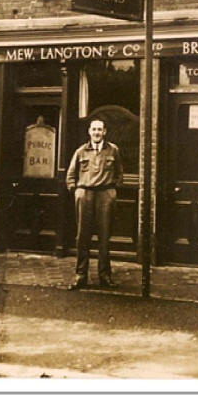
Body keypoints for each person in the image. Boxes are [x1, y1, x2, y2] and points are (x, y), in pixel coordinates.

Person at [66, 118, 124, 290]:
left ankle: (104, 276)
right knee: (82, 237)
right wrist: (77, 191)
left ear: (104, 132)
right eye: (94, 129)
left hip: (105, 195)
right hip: (85, 195)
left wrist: (112, 191)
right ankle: (80, 275)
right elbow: (70, 176)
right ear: (89, 132)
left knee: (104, 237)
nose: (97, 132)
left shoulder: (113, 150)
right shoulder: (80, 152)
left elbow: (120, 174)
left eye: (100, 129)